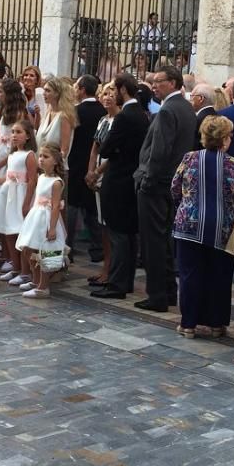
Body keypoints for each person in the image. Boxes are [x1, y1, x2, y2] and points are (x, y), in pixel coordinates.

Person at [170, 116, 234, 339]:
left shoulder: (190, 158)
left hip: (189, 226)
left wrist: (185, 207)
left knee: (189, 275)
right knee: (220, 276)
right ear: (224, 138)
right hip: (222, 228)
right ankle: (216, 325)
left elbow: (175, 188)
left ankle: (188, 324)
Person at [134, 65, 197, 313]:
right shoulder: (185, 108)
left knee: (153, 241)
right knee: (164, 241)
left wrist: (147, 180)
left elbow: (159, 151)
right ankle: (169, 291)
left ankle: (158, 294)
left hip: (158, 184)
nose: (155, 86)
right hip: (172, 184)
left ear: (172, 83)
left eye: (159, 81)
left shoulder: (169, 110)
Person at [92, 74, 148, 300]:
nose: (113, 93)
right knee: (128, 235)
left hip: (118, 180)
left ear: (123, 90)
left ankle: (117, 283)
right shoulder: (141, 115)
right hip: (130, 178)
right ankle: (124, 282)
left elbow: (105, 148)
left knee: (118, 234)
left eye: (115, 89)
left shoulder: (125, 116)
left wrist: (112, 149)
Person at [15, 144, 68, 299]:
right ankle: (36, 279)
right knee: (27, 249)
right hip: (36, 216)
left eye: (46, 157)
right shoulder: (41, 177)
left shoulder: (56, 182)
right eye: (40, 156)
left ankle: (43, 287)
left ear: (56, 161)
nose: (41, 159)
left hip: (46, 219)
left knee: (43, 253)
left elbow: (56, 206)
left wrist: (52, 228)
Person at [0, 120, 38, 282]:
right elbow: (7, 178)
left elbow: (31, 180)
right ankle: (15, 268)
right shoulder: (13, 155)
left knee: (20, 234)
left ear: (28, 136)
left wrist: (26, 203)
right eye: (13, 132)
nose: (14, 136)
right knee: (9, 233)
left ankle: (25, 272)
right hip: (9, 196)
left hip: (21, 197)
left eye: (19, 132)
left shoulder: (29, 156)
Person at [68, 75, 107, 262]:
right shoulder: (103, 111)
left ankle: (67, 245)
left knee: (73, 205)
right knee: (92, 207)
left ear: (82, 89)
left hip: (76, 162)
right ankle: (97, 247)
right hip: (95, 164)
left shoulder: (75, 111)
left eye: (76, 87)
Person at [85, 82, 119, 287]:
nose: (107, 97)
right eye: (104, 93)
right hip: (97, 172)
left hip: (109, 174)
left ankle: (111, 268)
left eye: (111, 94)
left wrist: (98, 172)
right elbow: (95, 149)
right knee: (101, 224)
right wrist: (90, 171)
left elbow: (114, 154)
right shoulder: (102, 120)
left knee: (110, 224)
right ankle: (105, 266)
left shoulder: (120, 120)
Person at [36, 76, 75, 165]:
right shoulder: (47, 113)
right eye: (44, 90)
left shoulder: (64, 116)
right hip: (42, 165)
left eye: (48, 91)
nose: (44, 94)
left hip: (55, 168)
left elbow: (64, 149)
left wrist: (54, 167)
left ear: (57, 93)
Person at [190, 83, 216, 149]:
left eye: (192, 96)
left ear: (200, 98)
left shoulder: (198, 120)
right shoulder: (217, 116)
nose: (190, 99)